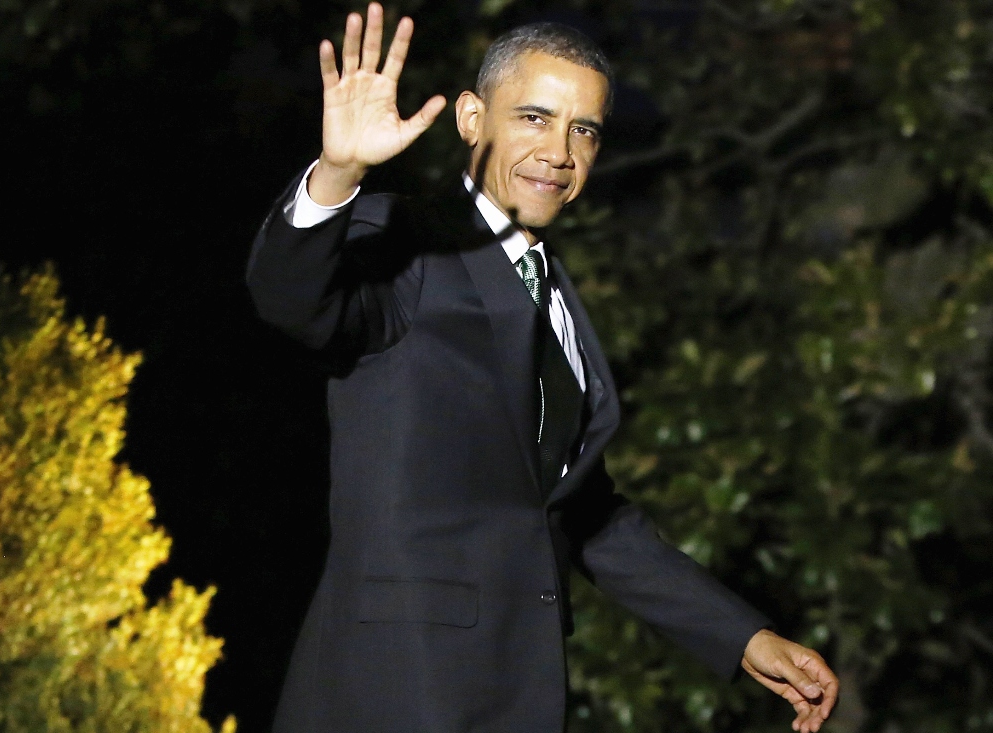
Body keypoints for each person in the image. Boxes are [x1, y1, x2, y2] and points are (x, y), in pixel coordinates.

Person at [246, 4, 839, 732]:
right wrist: (336, 175)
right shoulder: (407, 244)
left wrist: (742, 635)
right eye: (532, 117)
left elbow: (579, 510)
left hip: (516, 692)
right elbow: (292, 298)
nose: (558, 150)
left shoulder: (554, 292)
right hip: (392, 688)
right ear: (471, 118)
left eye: (582, 129)